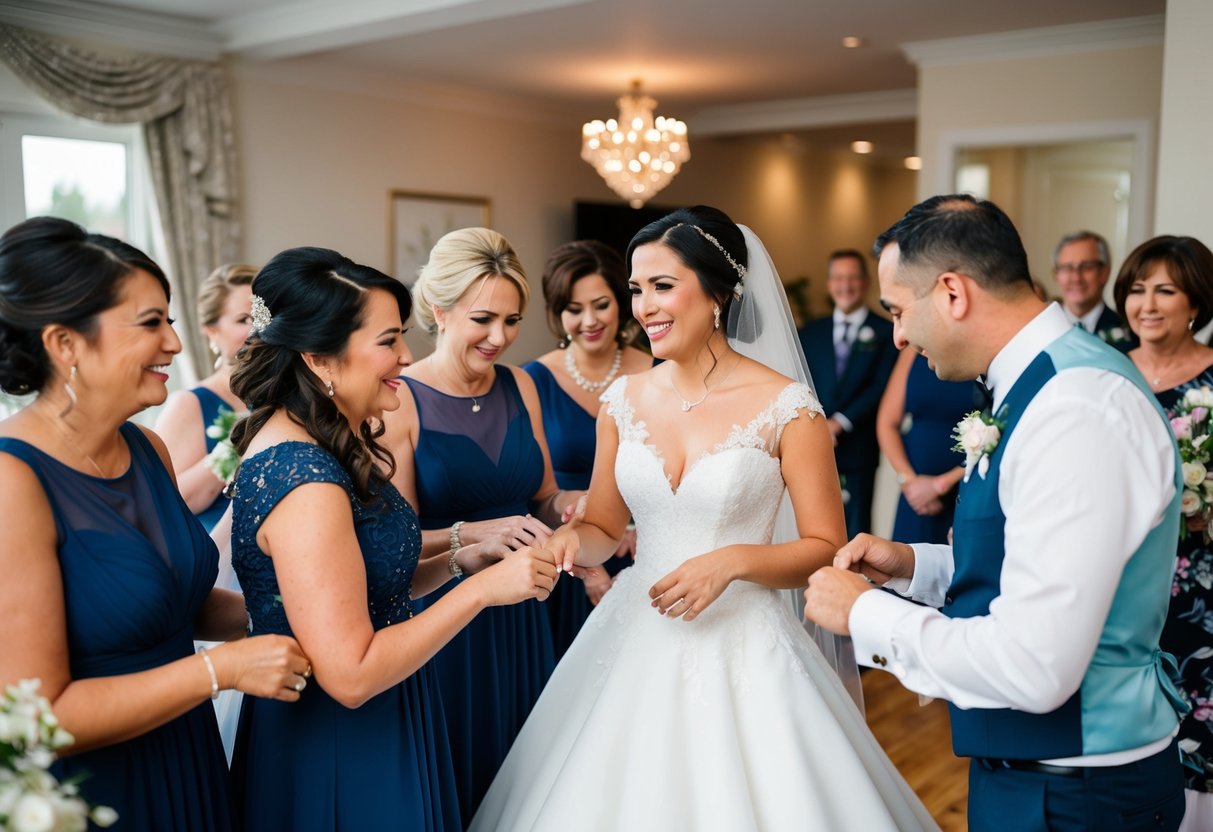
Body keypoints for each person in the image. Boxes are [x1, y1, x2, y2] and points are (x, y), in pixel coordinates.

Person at [470, 206, 938, 831]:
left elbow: (826, 546)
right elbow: (605, 527)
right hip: (635, 634)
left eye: (663, 286)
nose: (644, 307)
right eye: (637, 289)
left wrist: (734, 560)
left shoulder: (789, 408)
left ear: (720, 292)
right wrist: (563, 542)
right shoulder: (623, 400)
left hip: (749, 648)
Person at [805, 195, 1187, 831]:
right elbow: (1044, 561)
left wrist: (866, 614)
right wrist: (910, 567)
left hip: (1079, 791)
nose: (897, 335)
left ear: (953, 292)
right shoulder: (1035, 383)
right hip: (1035, 771)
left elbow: (1036, 665)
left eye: (899, 310)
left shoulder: (1075, 407)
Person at [225, 246, 557, 831]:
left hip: (387, 713)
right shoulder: (305, 481)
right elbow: (351, 675)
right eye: (388, 340)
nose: (406, 354)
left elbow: (372, 582)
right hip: (341, 743)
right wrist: (483, 592)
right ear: (320, 357)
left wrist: (462, 557)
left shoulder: (324, 442)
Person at [0, 217, 308, 830]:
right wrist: (219, 671)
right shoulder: (13, 480)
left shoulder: (147, 449)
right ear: (65, 345)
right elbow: (38, 718)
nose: (173, 344)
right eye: (151, 324)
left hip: (187, 756)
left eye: (169, 320)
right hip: (99, 790)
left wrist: (307, 604)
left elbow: (175, 605)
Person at [380, 227, 584, 824]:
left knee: (528, 776)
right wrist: (476, 533)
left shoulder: (522, 385)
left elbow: (543, 495)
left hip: (524, 615)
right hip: (445, 616)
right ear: (438, 312)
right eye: (483, 319)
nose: (500, 337)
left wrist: (575, 502)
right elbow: (395, 542)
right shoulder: (402, 400)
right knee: (462, 776)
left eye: (513, 320)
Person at [1115, 235, 1213, 829]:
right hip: (1120, 577)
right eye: (1135, 289)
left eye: (1165, 290)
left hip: (1198, 583)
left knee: (1199, 708)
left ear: (1196, 303)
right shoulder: (1103, 371)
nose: (1146, 304)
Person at [523, 240, 654, 657]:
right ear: (558, 314)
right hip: (567, 557)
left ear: (622, 300)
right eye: (573, 309)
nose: (589, 320)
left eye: (601, 304)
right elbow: (532, 486)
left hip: (647, 554)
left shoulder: (658, 371)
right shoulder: (533, 381)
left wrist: (634, 527)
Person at [798, 249, 896, 536]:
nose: (846, 285)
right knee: (814, 525)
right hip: (814, 444)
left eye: (853, 278)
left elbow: (883, 386)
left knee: (856, 526)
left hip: (859, 444)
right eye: (839, 278)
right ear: (829, 284)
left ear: (865, 283)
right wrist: (817, 425)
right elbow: (800, 381)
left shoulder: (885, 332)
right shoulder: (810, 332)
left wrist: (839, 423)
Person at [155, 264, 255, 532]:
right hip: (218, 554)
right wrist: (237, 443)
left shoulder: (294, 398)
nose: (258, 330)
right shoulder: (189, 404)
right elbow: (171, 504)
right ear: (212, 330)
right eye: (244, 319)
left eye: (264, 317)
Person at [876, 348, 971, 544]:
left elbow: (999, 427)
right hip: (916, 497)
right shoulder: (913, 350)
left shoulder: (981, 351)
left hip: (968, 487)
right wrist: (909, 482)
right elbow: (887, 423)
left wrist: (941, 484)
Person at [1054, 230, 1136, 351]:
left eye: (1087, 267)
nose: (1076, 278)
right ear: (1056, 275)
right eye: (1067, 268)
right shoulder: (1041, 329)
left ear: (1104, 273)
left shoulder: (1130, 333)